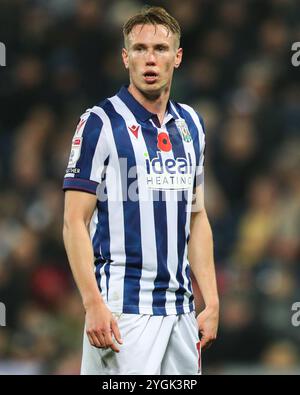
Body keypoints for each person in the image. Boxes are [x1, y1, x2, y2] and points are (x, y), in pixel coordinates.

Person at [62, 6, 219, 375]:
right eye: (139, 49)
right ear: (125, 57)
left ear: (177, 57)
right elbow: (73, 222)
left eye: (161, 49)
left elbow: (196, 217)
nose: (150, 59)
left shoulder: (192, 124)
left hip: (180, 313)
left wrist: (210, 301)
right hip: (122, 311)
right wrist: (93, 304)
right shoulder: (99, 123)